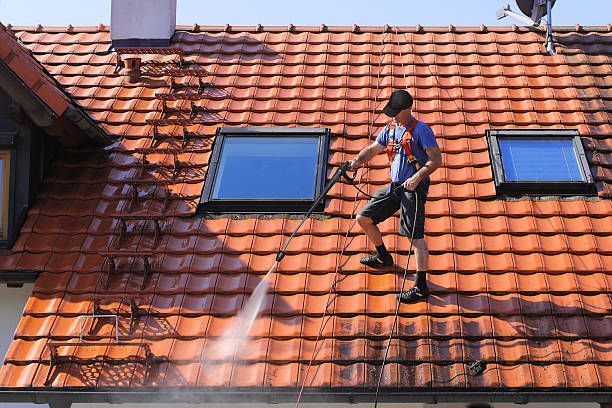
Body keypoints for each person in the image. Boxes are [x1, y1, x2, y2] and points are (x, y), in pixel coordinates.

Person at [349, 89, 442, 303]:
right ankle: (383, 256)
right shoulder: (390, 129)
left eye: (396, 112)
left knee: (414, 237)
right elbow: (373, 149)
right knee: (364, 218)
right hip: (395, 187)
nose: (393, 116)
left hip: (413, 190)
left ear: (408, 109)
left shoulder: (422, 130)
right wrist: (356, 161)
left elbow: (436, 160)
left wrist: (418, 177)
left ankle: (420, 286)